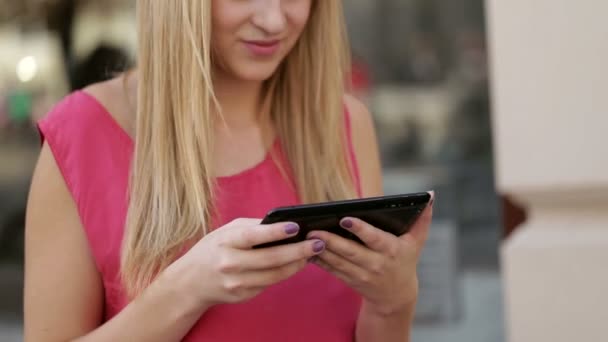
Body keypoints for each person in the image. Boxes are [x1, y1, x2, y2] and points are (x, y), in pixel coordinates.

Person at [24, 1, 434, 341]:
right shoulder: (81, 134)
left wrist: (393, 301)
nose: (273, 20)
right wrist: (185, 291)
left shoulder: (346, 125)